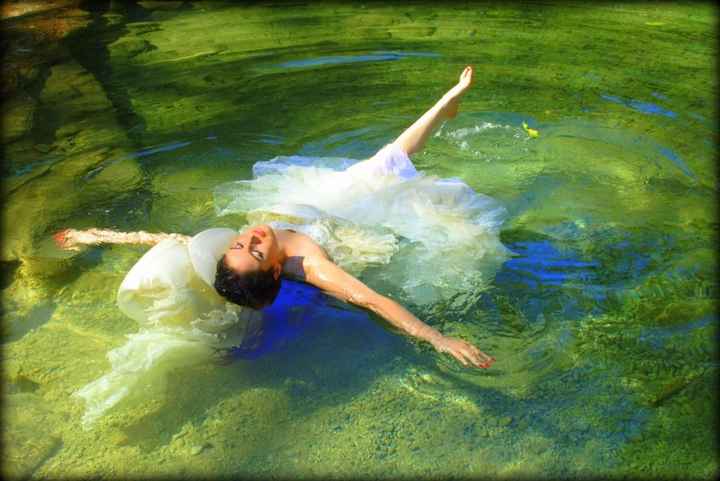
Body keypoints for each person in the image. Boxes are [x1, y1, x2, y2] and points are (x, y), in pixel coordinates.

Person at [56, 66, 496, 370]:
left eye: (239, 243)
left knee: (381, 161)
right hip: (346, 221)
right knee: (386, 167)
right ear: (273, 268)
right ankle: (445, 104)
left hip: (312, 200)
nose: (249, 238)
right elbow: (370, 300)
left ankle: (444, 105)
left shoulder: (237, 249)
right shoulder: (309, 265)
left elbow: (166, 238)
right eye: (255, 249)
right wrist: (438, 338)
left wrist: (93, 235)